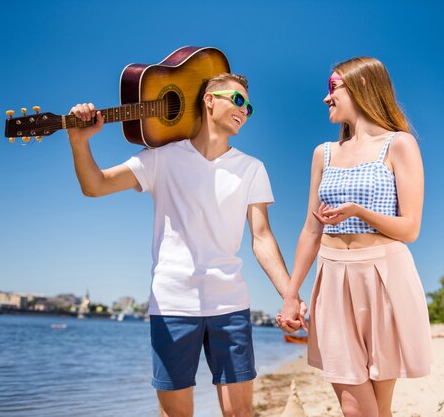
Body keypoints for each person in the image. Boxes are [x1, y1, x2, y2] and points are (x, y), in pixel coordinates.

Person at [67, 73, 304, 417]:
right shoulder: (161, 158)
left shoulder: (252, 168)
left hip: (230, 304)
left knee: (240, 414)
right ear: (209, 100)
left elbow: (262, 237)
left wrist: (289, 294)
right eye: (237, 100)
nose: (245, 110)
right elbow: (95, 185)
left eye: (249, 107)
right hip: (172, 304)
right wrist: (79, 141)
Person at [277, 56, 432, 417]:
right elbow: (311, 228)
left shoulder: (400, 144)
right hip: (331, 277)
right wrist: (290, 295)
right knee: (355, 409)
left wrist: (359, 212)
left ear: (362, 86)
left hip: (384, 277)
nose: (325, 98)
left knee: (379, 409)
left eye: (333, 88)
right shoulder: (323, 154)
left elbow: (410, 228)